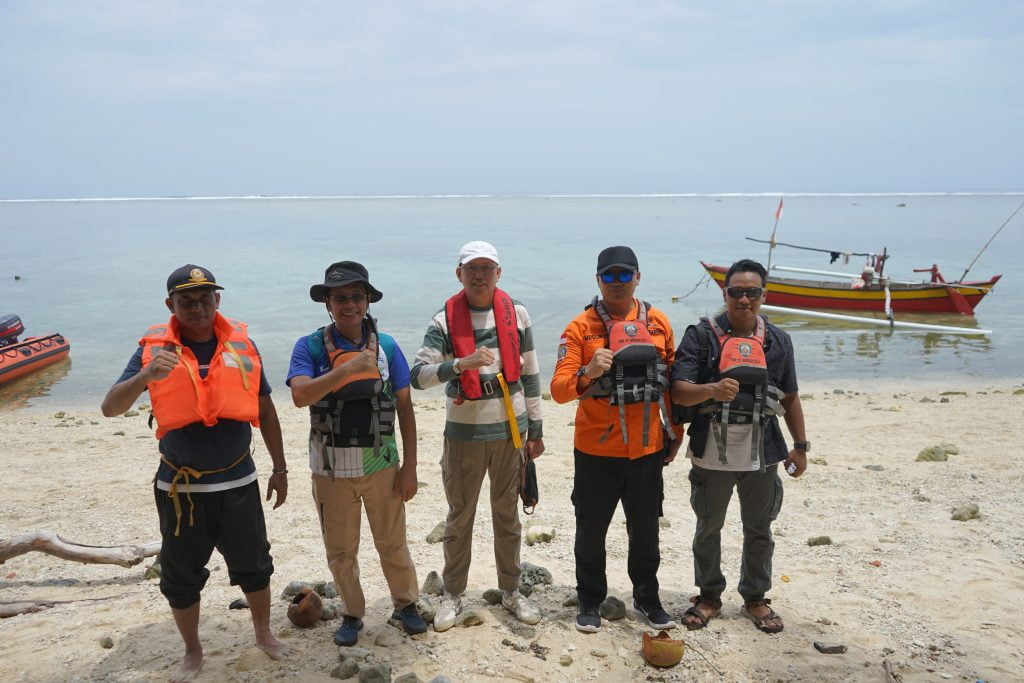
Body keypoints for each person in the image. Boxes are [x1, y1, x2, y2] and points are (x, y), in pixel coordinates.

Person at [101, 264, 290, 682]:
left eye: (205, 298)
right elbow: (110, 408)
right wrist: (146, 375)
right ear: (171, 305)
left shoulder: (243, 345)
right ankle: (192, 649)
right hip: (180, 488)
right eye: (186, 301)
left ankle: (264, 634)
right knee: (181, 576)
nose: (197, 307)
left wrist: (280, 467)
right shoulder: (153, 352)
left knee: (255, 565)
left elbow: (265, 410)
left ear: (217, 300)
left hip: (239, 481)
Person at [286, 261, 426, 646]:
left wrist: (410, 468)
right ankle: (352, 613)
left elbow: (405, 407)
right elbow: (300, 395)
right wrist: (347, 370)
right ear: (327, 303)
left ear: (367, 300)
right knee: (340, 551)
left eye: (355, 296)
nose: (349, 304)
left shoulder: (388, 347)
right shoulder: (310, 347)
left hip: (382, 466)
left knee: (392, 543)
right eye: (340, 298)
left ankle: (406, 604)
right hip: (330, 470)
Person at [410, 240, 544, 631]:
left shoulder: (517, 313)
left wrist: (536, 429)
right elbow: (417, 377)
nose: (480, 276)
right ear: (460, 274)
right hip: (463, 435)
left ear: (498, 273)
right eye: (472, 269)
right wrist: (459, 364)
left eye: (487, 268)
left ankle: (511, 590)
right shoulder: (444, 320)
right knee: (460, 517)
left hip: (511, 432)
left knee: (508, 516)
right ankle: (452, 593)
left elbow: (531, 373)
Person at [670, 258, 808, 634]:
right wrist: (711, 390)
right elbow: (679, 392)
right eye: (736, 291)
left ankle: (756, 598)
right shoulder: (701, 336)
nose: (744, 299)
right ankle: (709, 596)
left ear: (764, 295)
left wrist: (800, 446)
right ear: (725, 293)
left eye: (752, 292)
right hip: (710, 451)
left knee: (760, 528)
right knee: (708, 527)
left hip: (763, 451)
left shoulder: (779, 341)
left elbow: (790, 396)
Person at [550, 245, 683, 634]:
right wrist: (589, 371)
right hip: (596, 450)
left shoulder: (658, 322)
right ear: (598, 280)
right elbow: (558, 390)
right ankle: (590, 599)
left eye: (625, 274)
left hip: (647, 447)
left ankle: (647, 597)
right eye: (609, 275)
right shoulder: (580, 328)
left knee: (646, 529)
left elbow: (671, 383)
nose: (617, 282)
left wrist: (675, 432)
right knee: (591, 529)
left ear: (638, 277)